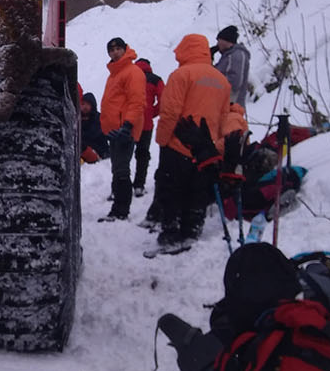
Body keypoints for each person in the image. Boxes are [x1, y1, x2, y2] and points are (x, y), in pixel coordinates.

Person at [153, 33, 231, 252]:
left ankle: (170, 233)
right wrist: (217, 148)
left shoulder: (181, 75)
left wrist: (163, 140)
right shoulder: (222, 81)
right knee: (197, 192)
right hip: (206, 149)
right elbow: (224, 119)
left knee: (172, 189)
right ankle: (192, 230)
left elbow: (170, 112)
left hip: (179, 144)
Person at [97, 37, 145, 222]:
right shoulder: (115, 74)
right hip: (114, 131)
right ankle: (118, 207)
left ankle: (121, 210)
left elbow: (137, 101)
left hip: (124, 130)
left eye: (118, 48)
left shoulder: (132, 72)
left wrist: (128, 125)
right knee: (118, 169)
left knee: (122, 171)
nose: (114, 52)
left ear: (125, 50)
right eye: (111, 49)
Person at [132, 58, 162, 197]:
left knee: (123, 156)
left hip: (129, 120)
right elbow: (164, 100)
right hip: (146, 123)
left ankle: (120, 187)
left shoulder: (130, 76)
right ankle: (139, 185)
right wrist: (151, 113)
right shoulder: (156, 79)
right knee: (143, 154)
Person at [212, 25, 251, 105]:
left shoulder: (236, 55)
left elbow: (235, 82)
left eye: (218, 40)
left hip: (232, 105)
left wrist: (211, 83)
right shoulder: (227, 56)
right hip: (224, 105)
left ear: (225, 40)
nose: (217, 44)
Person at [78, 89, 107, 164]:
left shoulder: (99, 119)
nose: (85, 107)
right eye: (83, 104)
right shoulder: (77, 119)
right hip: (82, 150)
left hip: (97, 151)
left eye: (88, 104)